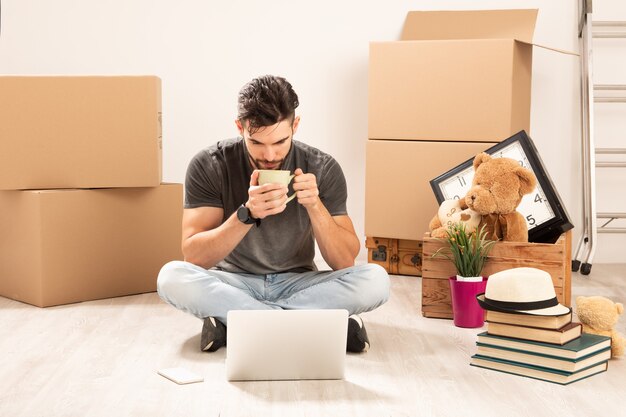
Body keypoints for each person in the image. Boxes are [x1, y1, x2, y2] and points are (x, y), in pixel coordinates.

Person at [157, 75, 390, 353]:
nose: (269, 155)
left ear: (296, 125)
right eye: (256, 143)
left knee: (376, 279)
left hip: (300, 283)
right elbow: (194, 257)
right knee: (171, 277)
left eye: (280, 141)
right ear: (239, 127)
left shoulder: (322, 166)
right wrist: (246, 214)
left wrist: (315, 206)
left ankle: (238, 323)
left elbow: (344, 261)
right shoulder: (210, 164)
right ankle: (315, 326)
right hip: (234, 282)